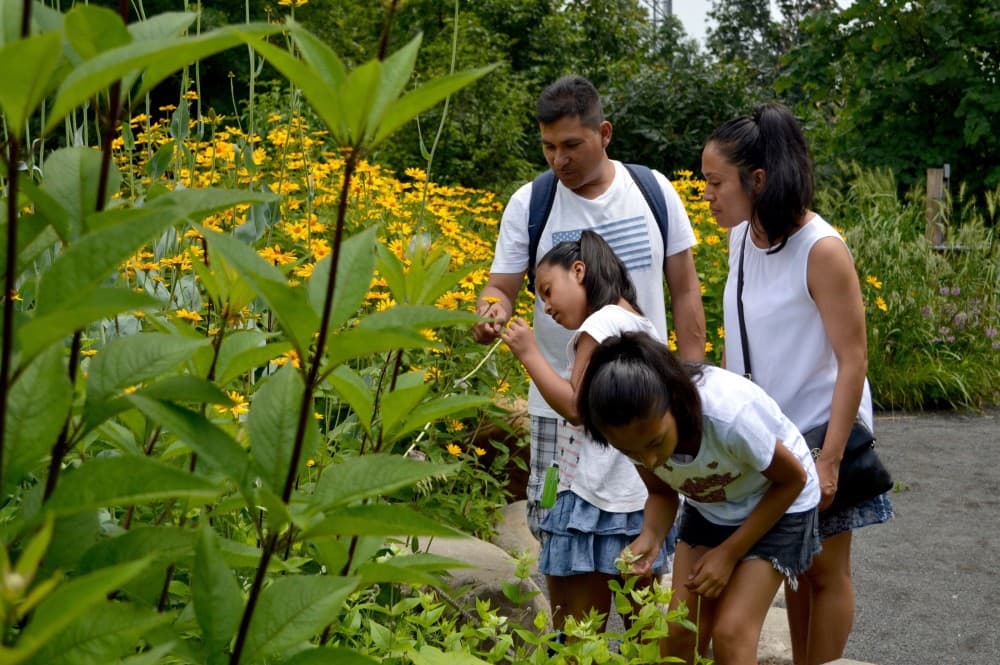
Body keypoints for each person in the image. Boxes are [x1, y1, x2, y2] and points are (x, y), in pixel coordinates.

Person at [471, 74, 705, 551]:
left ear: (604, 134)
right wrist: (490, 311)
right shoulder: (530, 203)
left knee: (643, 545)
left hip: (645, 402)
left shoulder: (652, 192)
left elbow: (684, 290)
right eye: (548, 146)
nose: (560, 159)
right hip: (558, 413)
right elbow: (500, 287)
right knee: (562, 543)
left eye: (572, 144)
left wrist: (692, 378)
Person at [702, 103, 893, 665]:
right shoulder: (742, 237)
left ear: (757, 180)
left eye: (715, 183)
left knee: (826, 571)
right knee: (793, 571)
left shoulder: (821, 249)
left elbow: (852, 359)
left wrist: (830, 459)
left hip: (819, 431)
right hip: (768, 436)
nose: (707, 194)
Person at [577, 331, 822, 665]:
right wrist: (650, 536)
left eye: (655, 444)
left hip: (779, 502)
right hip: (711, 502)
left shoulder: (728, 416)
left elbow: (793, 479)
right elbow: (661, 491)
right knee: (679, 629)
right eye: (630, 452)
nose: (649, 461)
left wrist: (729, 553)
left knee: (731, 633)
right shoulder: (634, 430)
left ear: (674, 403)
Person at [499, 230, 674, 631]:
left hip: (590, 501)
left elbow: (578, 408)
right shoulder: (640, 323)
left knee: (577, 640)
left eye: (547, 291)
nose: (546, 308)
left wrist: (528, 351)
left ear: (579, 271)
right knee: (642, 636)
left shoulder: (602, 321)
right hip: (636, 499)